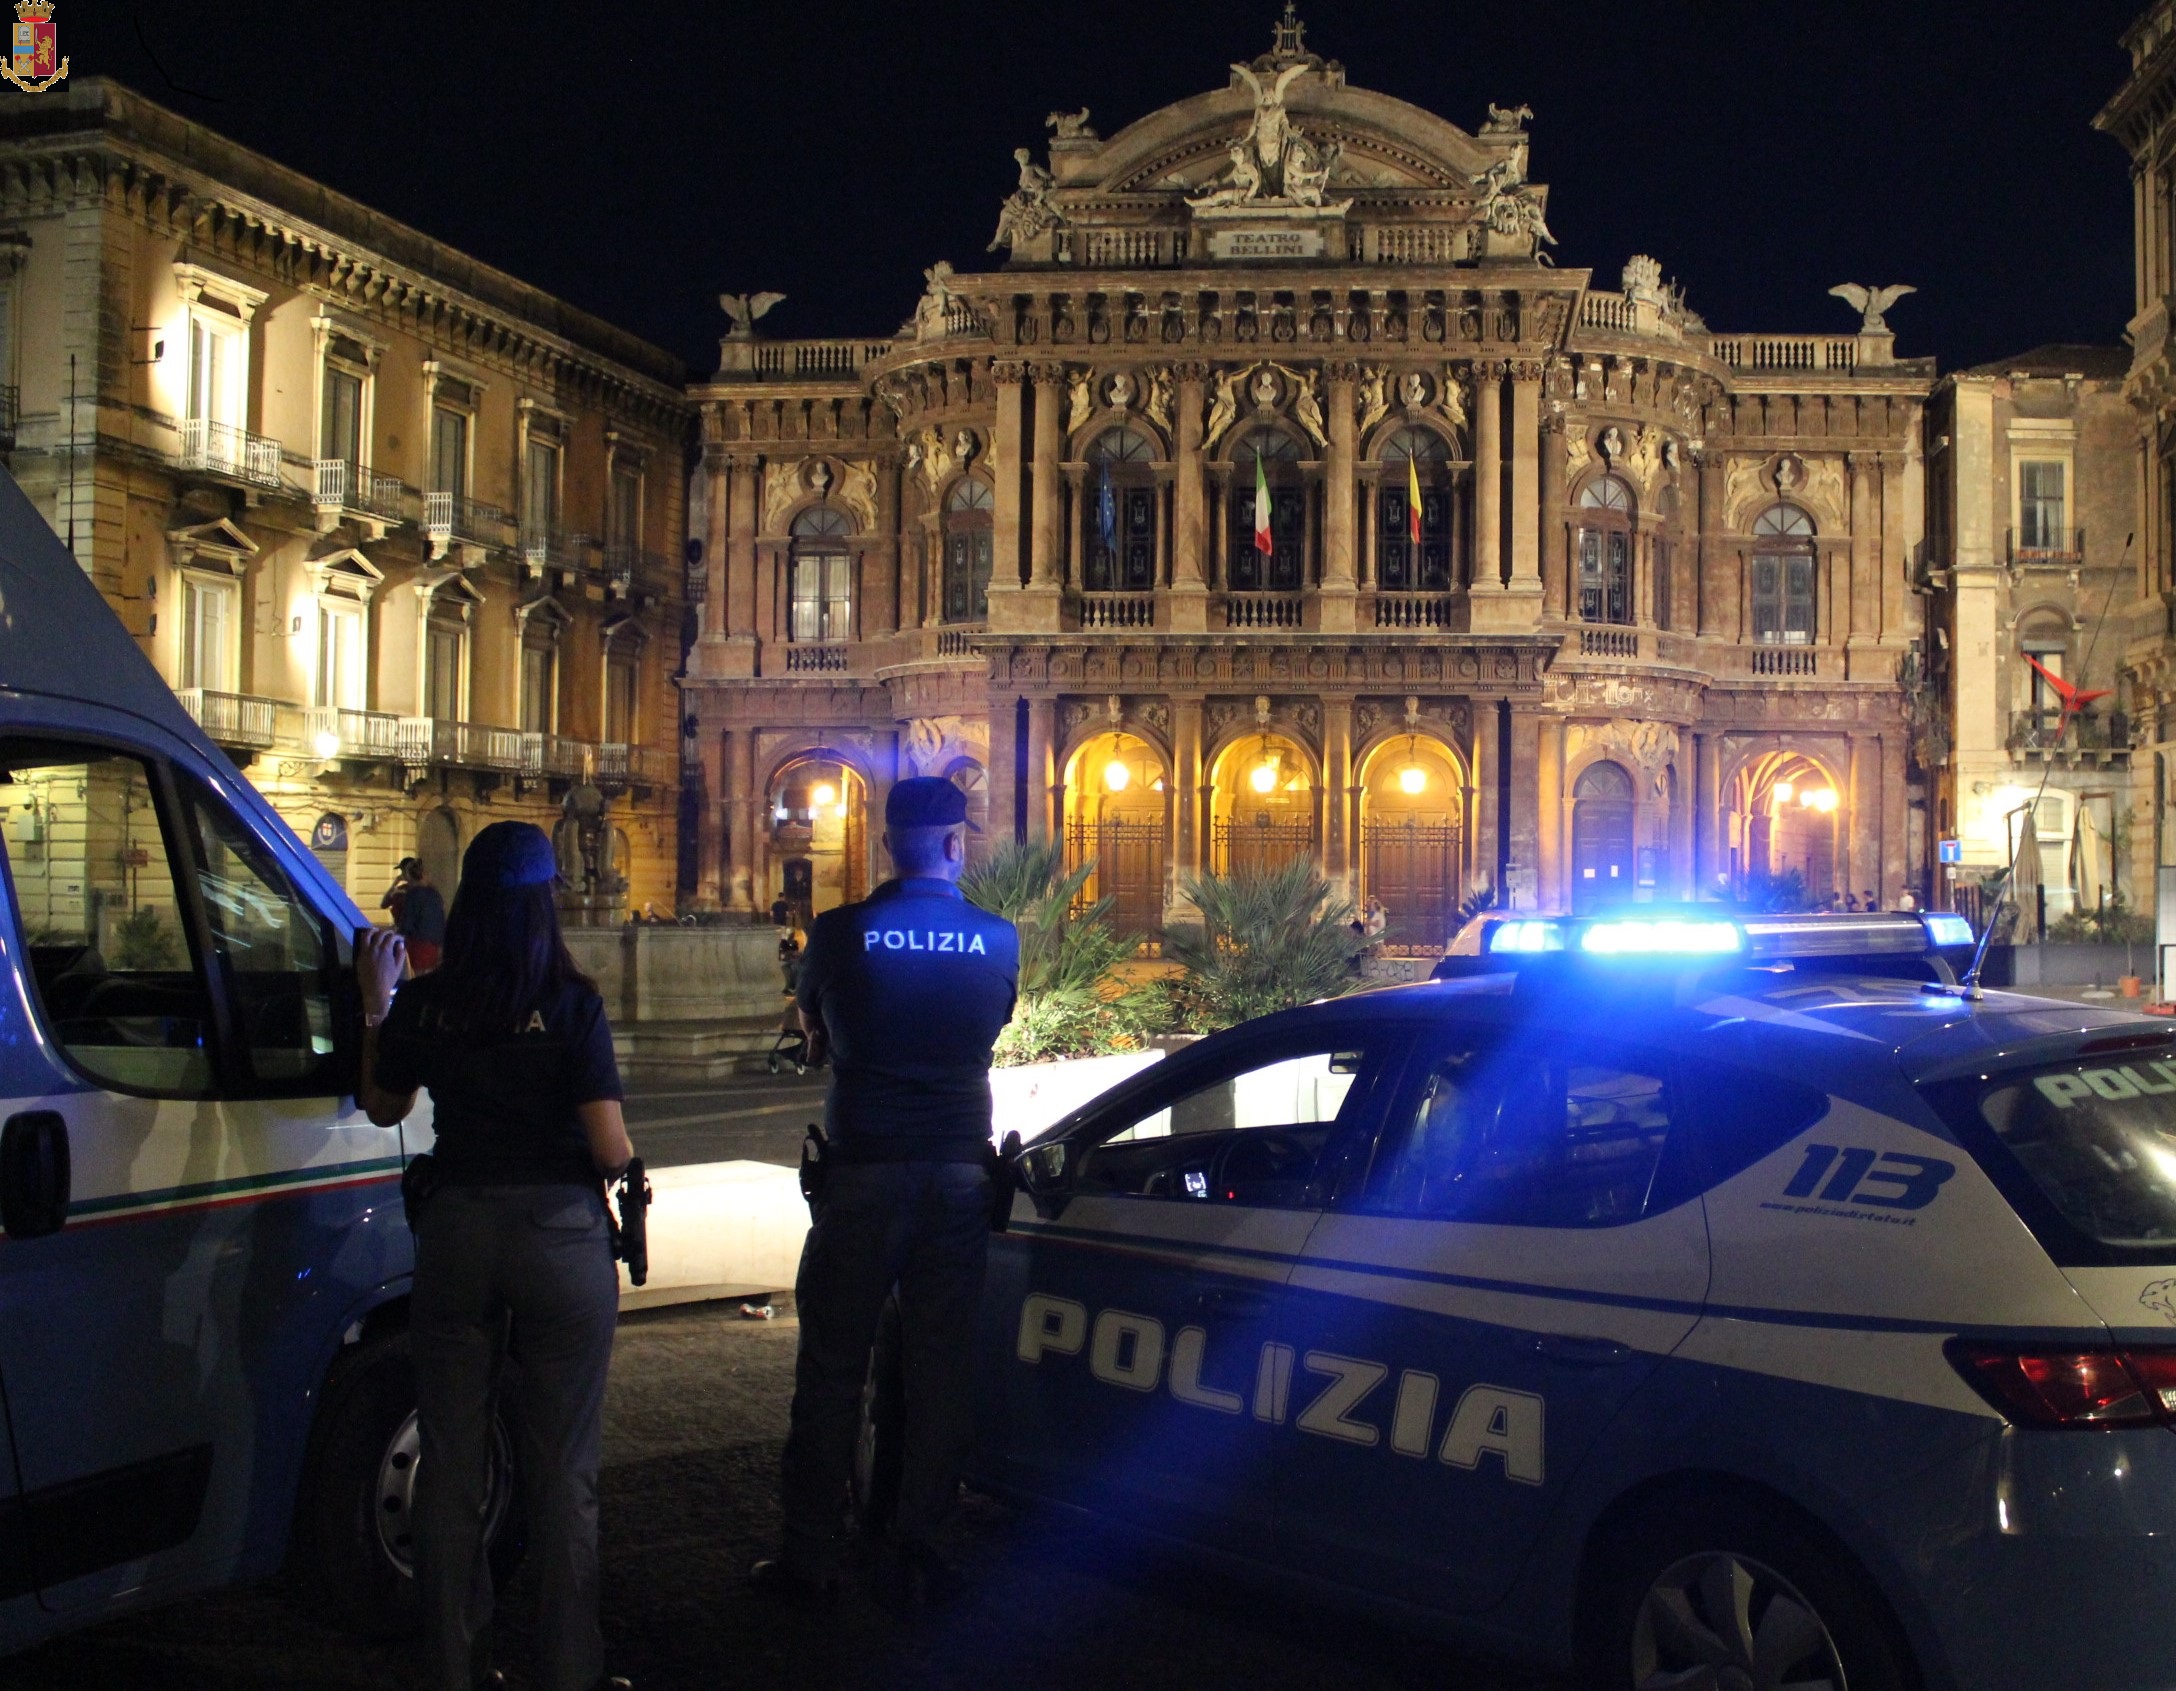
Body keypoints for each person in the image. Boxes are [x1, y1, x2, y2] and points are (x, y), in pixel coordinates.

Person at [356, 821, 634, 1691]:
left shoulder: (433, 1000)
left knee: (449, 1459)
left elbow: (379, 1103)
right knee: (562, 1472)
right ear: (546, 899)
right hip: (558, 1235)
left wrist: (378, 1002)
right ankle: (566, 1671)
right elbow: (613, 1149)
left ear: (470, 900)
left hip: (460, 1230)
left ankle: (455, 1667)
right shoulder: (571, 999)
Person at [751, 777, 1019, 1605]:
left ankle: (810, 1556)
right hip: (956, 1174)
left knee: (833, 1366)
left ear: (885, 842)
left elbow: (814, 1031)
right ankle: (921, 1543)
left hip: (863, 1169)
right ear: (955, 842)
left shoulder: (838, 932)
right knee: (939, 1369)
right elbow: (989, 1027)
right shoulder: (998, 938)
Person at [385, 856, 448, 973]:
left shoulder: (413, 894)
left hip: (417, 946)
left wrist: (395, 936)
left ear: (409, 876)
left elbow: (407, 924)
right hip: (435, 946)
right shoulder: (434, 893)